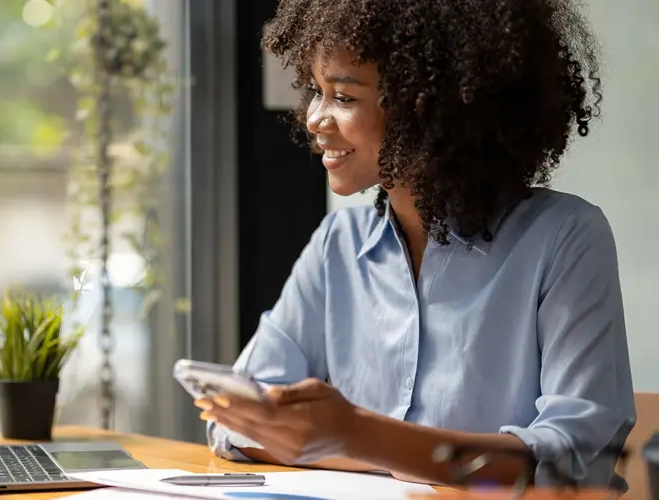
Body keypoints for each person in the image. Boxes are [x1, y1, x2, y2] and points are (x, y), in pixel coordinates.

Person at [196, 0, 636, 490]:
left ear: (428, 105)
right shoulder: (337, 246)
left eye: (343, 97)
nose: (314, 119)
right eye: (315, 93)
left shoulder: (564, 238)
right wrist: (368, 447)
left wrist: (356, 435)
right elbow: (232, 421)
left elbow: (573, 462)